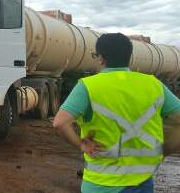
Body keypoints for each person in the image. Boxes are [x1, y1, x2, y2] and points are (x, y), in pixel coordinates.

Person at [53, 33, 180, 193]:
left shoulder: (88, 86)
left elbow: (60, 123)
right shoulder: (153, 84)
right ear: (129, 57)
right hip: (143, 183)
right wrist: (165, 149)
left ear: (101, 58)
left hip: (102, 185)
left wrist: (81, 144)